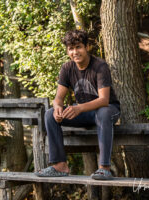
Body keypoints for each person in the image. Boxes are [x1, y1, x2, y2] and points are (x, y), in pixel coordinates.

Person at [34, 30, 120, 180]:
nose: (75, 52)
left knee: (103, 112)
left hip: (108, 110)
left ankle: (104, 168)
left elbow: (104, 100)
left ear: (87, 47)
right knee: (49, 115)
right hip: (85, 112)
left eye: (78, 47)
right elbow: (58, 98)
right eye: (71, 49)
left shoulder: (100, 66)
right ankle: (59, 166)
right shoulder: (67, 68)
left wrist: (78, 107)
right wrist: (58, 108)